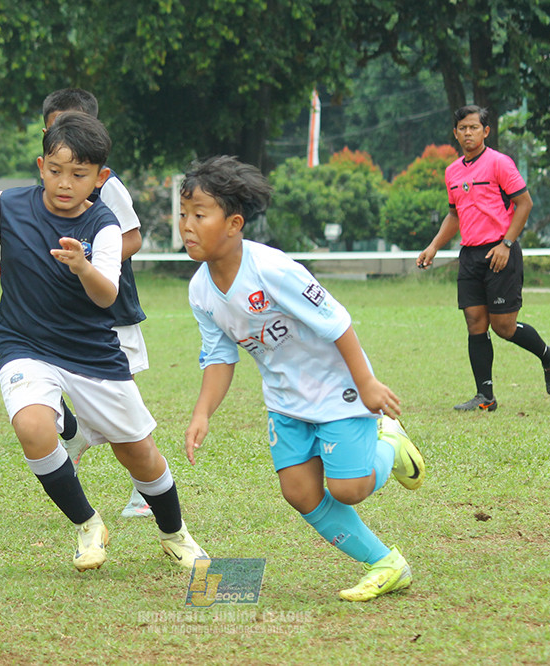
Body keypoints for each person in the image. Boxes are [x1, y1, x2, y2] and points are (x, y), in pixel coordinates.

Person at [0, 112, 207, 572]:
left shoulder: (104, 226)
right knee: (32, 426)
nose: (64, 183)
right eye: (55, 170)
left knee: (138, 453)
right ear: (41, 164)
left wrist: (83, 266)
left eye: (79, 174)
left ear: (100, 178)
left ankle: (174, 533)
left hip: (91, 351)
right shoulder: (9, 205)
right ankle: (88, 525)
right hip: (24, 343)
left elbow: (106, 294)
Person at [180, 155, 425, 602]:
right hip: (285, 401)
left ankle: (390, 442)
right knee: (299, 491)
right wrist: (202, 412)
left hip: (337, 388)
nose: (187, 225)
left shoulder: (272, 269)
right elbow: (219, 356)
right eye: (183, 214)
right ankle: (386, 564)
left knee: (349, 489)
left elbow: (336, 321)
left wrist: (367, 383)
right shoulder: (200, 290)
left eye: (199, 214)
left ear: (234, 224)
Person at [40, 88, 152, 519]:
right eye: (52, 130)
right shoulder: (54, 185)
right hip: (70, 310)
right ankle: (74, 431)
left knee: (122, 399)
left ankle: (145, 489)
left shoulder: (109, 183)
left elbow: (133, 238)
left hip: (111, 309)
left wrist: (90, 265)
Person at [416, 104, 550, 411]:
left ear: (486, 131)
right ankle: (486, 397)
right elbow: (454, 216)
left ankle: (549, 356)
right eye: (462, 128)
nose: (468, 133)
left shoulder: (500, 163)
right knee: (474, 323)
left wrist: (507, 244)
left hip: (500, 252)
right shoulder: (452, 172)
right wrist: (433, 247)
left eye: (474, 127)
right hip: (470, 255)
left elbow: (524, 204)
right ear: (455, 134)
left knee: (504, 327)